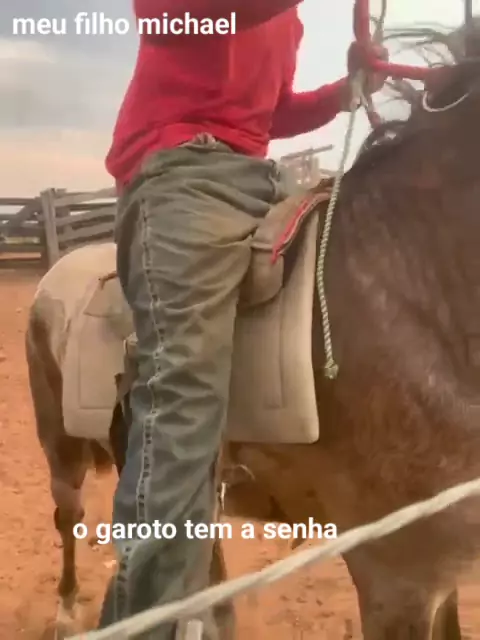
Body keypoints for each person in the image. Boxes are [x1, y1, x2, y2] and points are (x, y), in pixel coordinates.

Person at [99, 1, 387, 637]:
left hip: (258, 176)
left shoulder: (288, 19)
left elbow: (272, 113)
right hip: (181, 174)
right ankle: (146, 623)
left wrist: (345, 92)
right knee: (184, 392)